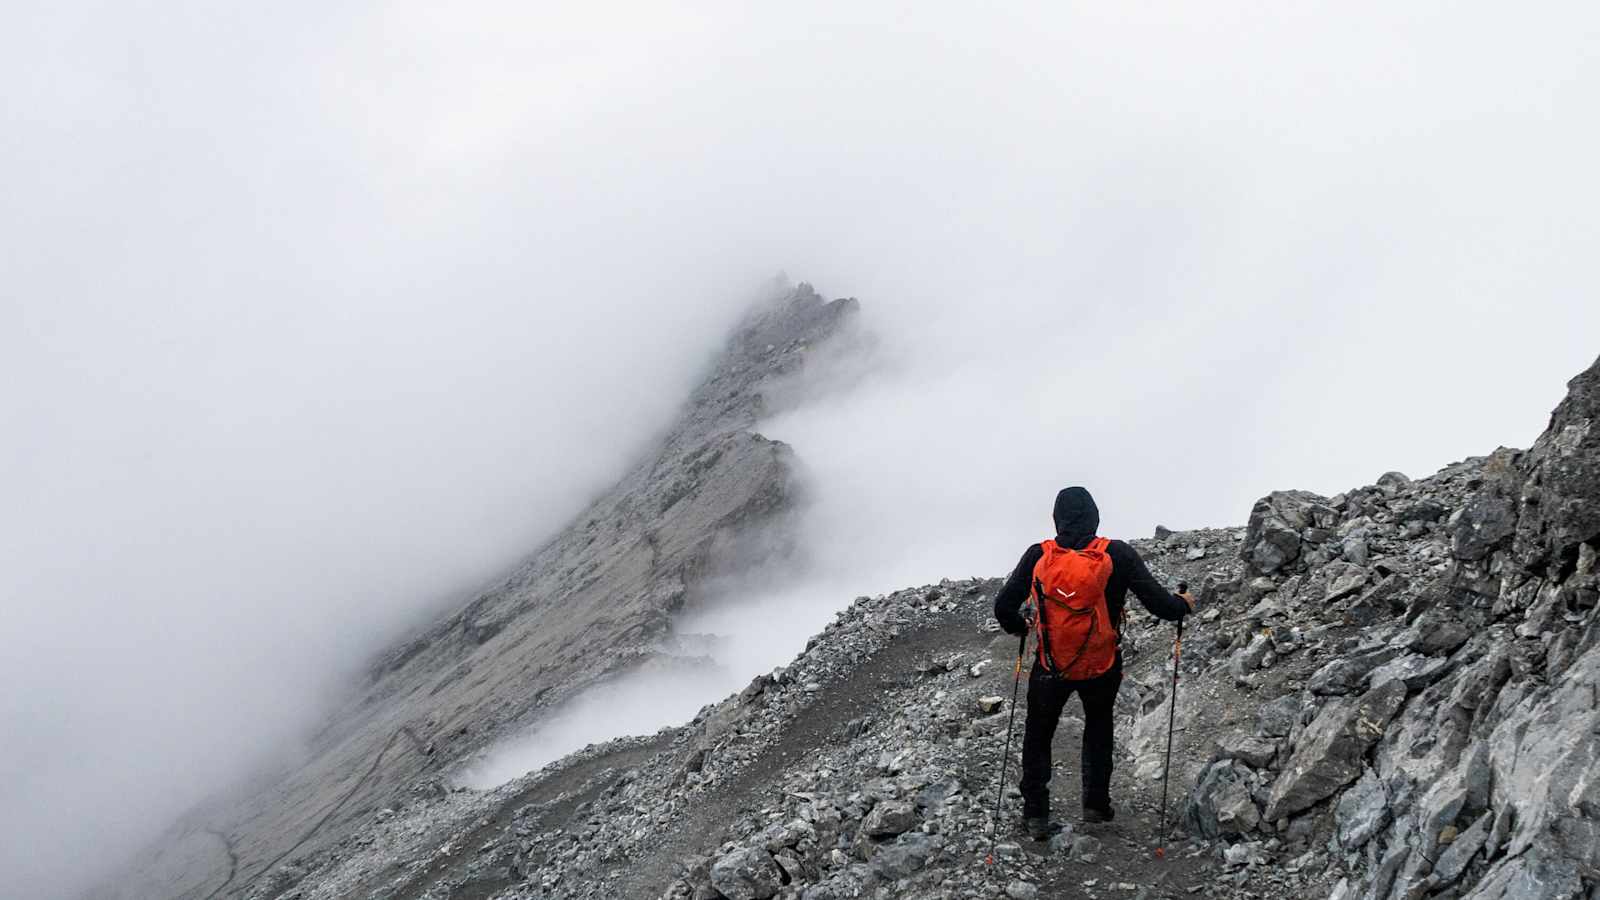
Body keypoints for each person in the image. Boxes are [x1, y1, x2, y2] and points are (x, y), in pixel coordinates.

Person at [993, 486, 1193, 839]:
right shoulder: (1117, 554)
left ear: (1057, 519)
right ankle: (1096, 806)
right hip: (1101, 664)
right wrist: (1184, 603)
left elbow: (1003, 607)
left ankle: (1036, 814)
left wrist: (1019, 625)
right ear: (1095, 516)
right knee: (1098, 727)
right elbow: (1161, 606)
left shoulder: (1039, 555)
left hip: (1050, 665)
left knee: (1038, 734)